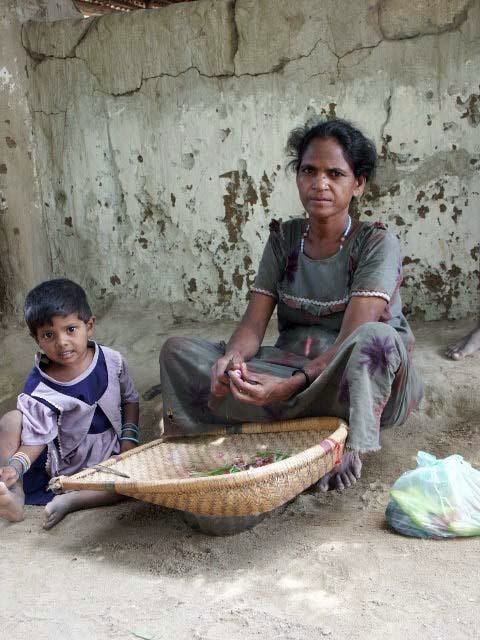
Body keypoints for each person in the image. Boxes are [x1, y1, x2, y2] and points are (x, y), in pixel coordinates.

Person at [160, 118, 423, 491]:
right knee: (177, 352)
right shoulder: (284, 239)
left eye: (335, 173)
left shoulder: (375, 243)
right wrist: (231, 359)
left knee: (373, 339)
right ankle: (264, 426)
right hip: (291, 372)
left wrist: (289, 387)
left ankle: (349, 442)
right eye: (308, 171)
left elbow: (352, 336)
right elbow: (252, 326)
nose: (320, 184)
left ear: (358, 183)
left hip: (353, 381)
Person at [0, 279, 140, 528]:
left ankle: (73, 501)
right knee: (11, 419)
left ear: (90, 325)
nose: (62, 342)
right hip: (57, 461)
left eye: (71, 329)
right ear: (36, 339)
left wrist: (128, 443)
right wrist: (16, 465)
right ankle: (14, 493)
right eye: (49, 335)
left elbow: (130, 399)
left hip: (107, 458)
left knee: (128, 484)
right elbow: (36, 439)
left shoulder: (111, 361)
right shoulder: (40, 387)